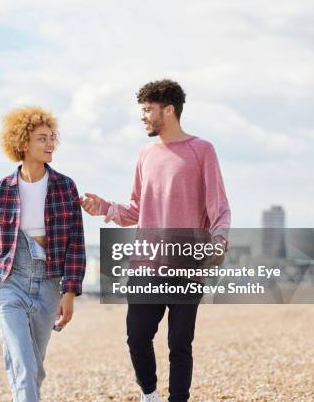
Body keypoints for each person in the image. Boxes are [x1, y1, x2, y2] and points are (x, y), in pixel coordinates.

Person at [80, 79, 231, 402]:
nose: (143, 117)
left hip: (186, 264)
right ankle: (149, 395)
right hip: (146, 264)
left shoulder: (201, 150)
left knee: (179, 344)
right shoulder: (145, 154)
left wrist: (219, 241)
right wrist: (104, 208)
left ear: (169, 110)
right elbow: (137, 208)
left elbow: (218, 206)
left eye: (148, 110)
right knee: (137, 337)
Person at [0, 106, 86, 402]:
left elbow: (75, 244)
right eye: (42, 139)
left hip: (49, 283)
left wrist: (70, 293)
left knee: (34, 368)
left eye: (52, 138)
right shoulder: (2, 190)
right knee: (24, 365)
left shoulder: (65, 187)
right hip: (10, 281)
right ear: (23, 143)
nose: (50, 144)